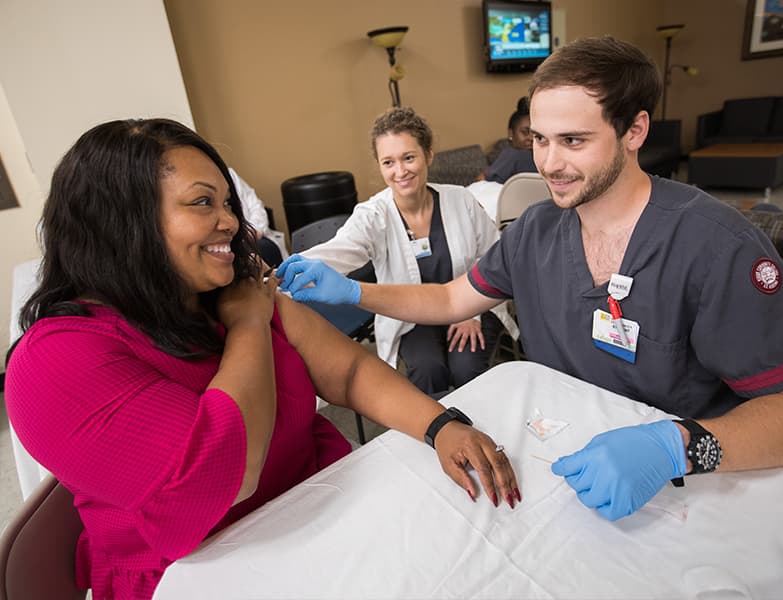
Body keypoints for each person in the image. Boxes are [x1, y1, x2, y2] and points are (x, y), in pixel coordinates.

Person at [277, 37, 783, 522]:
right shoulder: (536, 230)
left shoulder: (716, 247)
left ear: (635, 131)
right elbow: (449, 298)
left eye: (573, 140)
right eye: (539, 140)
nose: (550, 164)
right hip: (568, 467)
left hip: (691, 486)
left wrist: (674, 448)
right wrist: (354, 291)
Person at [4, 118, 520, 599]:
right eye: (203, 203)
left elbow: (349, 370)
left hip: (323, 506)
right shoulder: (56, 361)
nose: (231, 222)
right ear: (123, 223)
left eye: (227, 203)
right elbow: (229, 473)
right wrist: (248, 325)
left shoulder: (224, 290)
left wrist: (440, 426)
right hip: (214, 571)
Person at [300, 106, 518, 397]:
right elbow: (339, 251)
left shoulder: (461, 201)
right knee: (428, 370)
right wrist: (286, 273)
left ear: (428, 155)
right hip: (412, 315)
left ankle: (481, 435)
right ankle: (432, 434)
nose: (400, 171)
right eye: (388, 162)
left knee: (466, 368)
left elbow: (491, 257)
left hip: (470, 305)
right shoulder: (372, 214)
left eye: (409, 157)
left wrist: (471, 313)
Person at [228, 167, 288, 266]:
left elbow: (256, 206)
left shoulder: (231, 175)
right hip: (235, 244)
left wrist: (254, 230)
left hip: (257, 237)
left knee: (268, 250)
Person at [482, 96, 538, 184]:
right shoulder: (515, 155)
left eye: (535, 133)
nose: (531, 138)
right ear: (511, 133)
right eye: (525, 132)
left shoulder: (537, 155)